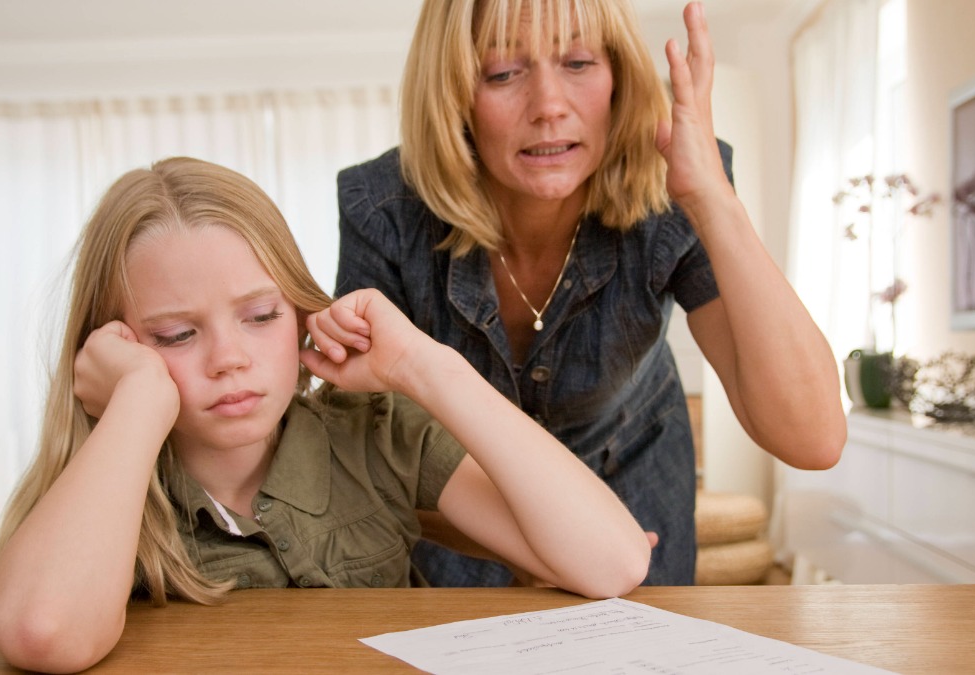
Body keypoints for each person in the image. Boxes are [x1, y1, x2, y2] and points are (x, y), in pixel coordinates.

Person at [0, 157, 651, 673]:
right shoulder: (105, 484)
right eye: (177, 335)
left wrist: (429, 367)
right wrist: (136, 401)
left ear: (299, 314)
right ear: (114, 348)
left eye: (260, 316)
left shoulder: (375, 434)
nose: (229, 359)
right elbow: (44, 629)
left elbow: (613, 561)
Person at [335, 0, 846, 588]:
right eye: (503, 73)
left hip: (630, 500)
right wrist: (537, 546)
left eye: (578, 62)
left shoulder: (667, 189)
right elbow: (367, 447)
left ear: (619, 76)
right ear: (453, 94)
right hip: (463, 515)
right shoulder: (382, 207)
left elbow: (814, 439)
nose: (550, 106)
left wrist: (712, 199)